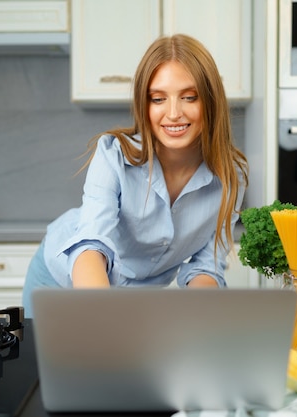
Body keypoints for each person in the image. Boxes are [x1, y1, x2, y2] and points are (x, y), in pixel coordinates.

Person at [22, 34, 249, 317]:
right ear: (145, 104)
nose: (174, 113)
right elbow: (92, 245)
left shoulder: (231, 176)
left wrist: (196, 317)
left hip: (134, 301)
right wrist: (107, 320)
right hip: (58, 281)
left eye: (190, 97)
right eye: (158, 99)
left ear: (211, 101)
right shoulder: (115, 155)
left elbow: (207, 266)